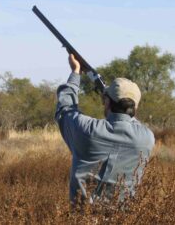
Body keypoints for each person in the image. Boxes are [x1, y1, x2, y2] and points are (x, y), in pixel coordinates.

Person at [55, 54, 155, 205]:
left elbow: (65, 109)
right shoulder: (147, 138)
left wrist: (76, 72)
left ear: (107, 102)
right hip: (124, 219)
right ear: (135, 107)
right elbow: (133, 122)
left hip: (83, 218)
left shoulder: (87, 129)